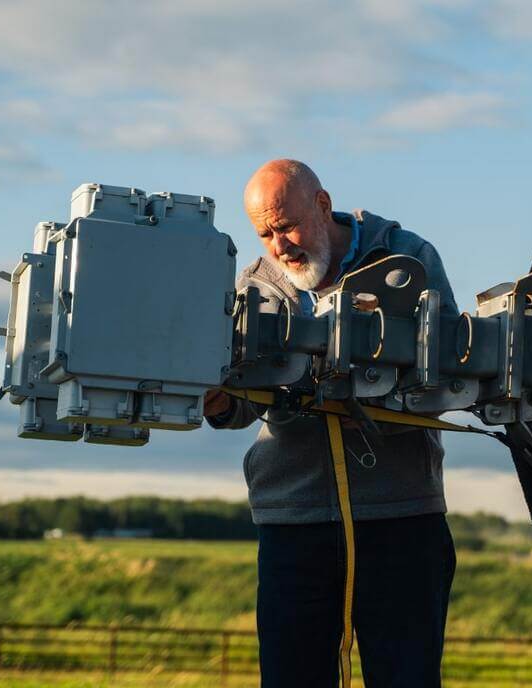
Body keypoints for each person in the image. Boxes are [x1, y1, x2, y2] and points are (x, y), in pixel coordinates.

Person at [204, 159, 458, 688]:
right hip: (295, 523)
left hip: (401, 515)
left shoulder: (406, 256)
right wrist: (215, 400)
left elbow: (449, 374)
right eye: (265, 234)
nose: (279, 246)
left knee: (407, 677)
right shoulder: (254, 283)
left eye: (286, 225)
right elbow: (240, 407)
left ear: (323, 205)